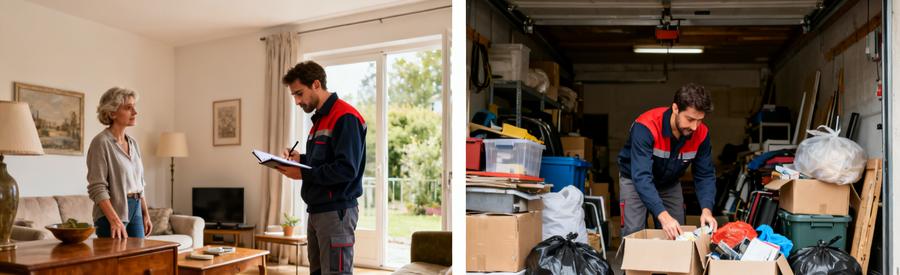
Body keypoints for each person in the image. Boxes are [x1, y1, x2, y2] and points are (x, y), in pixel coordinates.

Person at [276, 61, 367, 274]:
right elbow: (324, 160)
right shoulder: (319, 119)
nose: (297, 101)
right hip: (317, 210)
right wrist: (301, 159)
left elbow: (346, 169)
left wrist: (302, 173)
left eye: (299, 94)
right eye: (294, 96)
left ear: (316, 84)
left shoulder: (345, 117)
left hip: (336, 212)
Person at [617, 83, 718, 239]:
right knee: (634, 233)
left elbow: (704, 175)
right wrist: (663, 215)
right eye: (690, 119)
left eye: (700, 120)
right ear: (675, 108)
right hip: (635, 180)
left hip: (669, 183)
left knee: (678, 234)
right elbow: (641, 176)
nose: (695, 127)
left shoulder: (701, 134)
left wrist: (706, 210)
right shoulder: (646, 127)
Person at [87, 87, 152, 238]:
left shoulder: (133, 143)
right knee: (115, 260)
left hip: (135, 208)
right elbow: (97, 188)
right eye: (128, 108)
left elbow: (139, 183)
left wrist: (145, 213)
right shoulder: (101, 143)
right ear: (112, 113)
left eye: (134, 107)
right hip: (111, 213)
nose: (135, 112)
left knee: (137, 259)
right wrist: (114, 220)